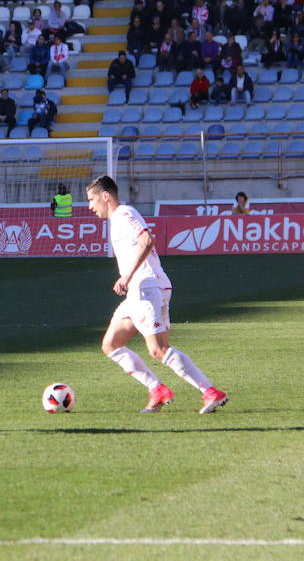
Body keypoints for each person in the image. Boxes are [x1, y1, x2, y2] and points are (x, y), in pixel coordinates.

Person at [85, 175, 229, 414]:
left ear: (106, 196)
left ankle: (211, 392)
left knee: (158, 350)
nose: (90, 206)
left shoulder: (124, 214)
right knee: (111, 344)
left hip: (145, 288)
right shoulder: (117, 220)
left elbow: (146, 240)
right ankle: (157, 389)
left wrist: (128, 276)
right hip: (141, 291)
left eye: (92, 199)